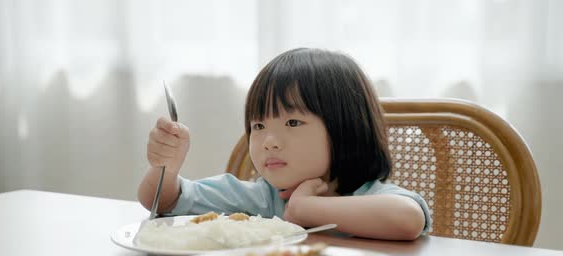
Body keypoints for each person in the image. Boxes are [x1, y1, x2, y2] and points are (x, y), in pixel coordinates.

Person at [138, 48, 431, 240]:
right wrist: (165, 168)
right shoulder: (261, 199)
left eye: (292, 123)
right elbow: (164, 202)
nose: (269, 142)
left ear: (346, 129)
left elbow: (407, 220)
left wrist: (306, 209)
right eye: (258, 126)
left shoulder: (370, 195)